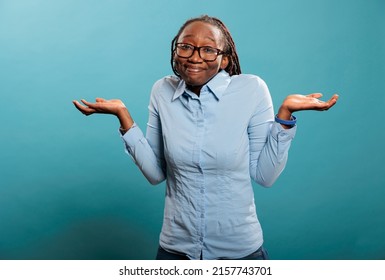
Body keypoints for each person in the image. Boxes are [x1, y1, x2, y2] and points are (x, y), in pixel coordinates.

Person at [73, 15, 338, 260]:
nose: (195, 57)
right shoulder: (162, 91)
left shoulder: (251, 90)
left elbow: (265, 176)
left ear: (224, 59)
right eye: (186, 47)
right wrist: (124, 118)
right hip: (175, 250)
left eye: (209, 49)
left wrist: (285, 117)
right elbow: (155, 173)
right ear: (175, 51)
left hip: (238, 252)